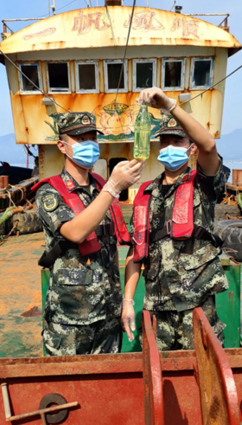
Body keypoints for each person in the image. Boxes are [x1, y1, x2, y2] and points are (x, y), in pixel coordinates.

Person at [122, 88, 228, 351]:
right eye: (165, 142)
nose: (169, 147)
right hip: (158, 306)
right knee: (161, 374)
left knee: (204, 371)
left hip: (197, 304)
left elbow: (209, 145)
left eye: (177, 142)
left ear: (190, 147)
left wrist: (170, 106)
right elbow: (136, 253)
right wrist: (127, 301)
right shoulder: (146, 192)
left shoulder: (203, 183)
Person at [32, 112, 144, 356]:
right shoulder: (50, 192)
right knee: (68, 386)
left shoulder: (101, 188)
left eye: (93, 139)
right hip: (69, 319)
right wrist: (113, 187)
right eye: (81, 139)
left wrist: (126, 301)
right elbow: (75, 232)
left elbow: (112, 248)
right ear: (62, 146)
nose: (90, 146)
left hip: (108, 315)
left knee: (106, 385)